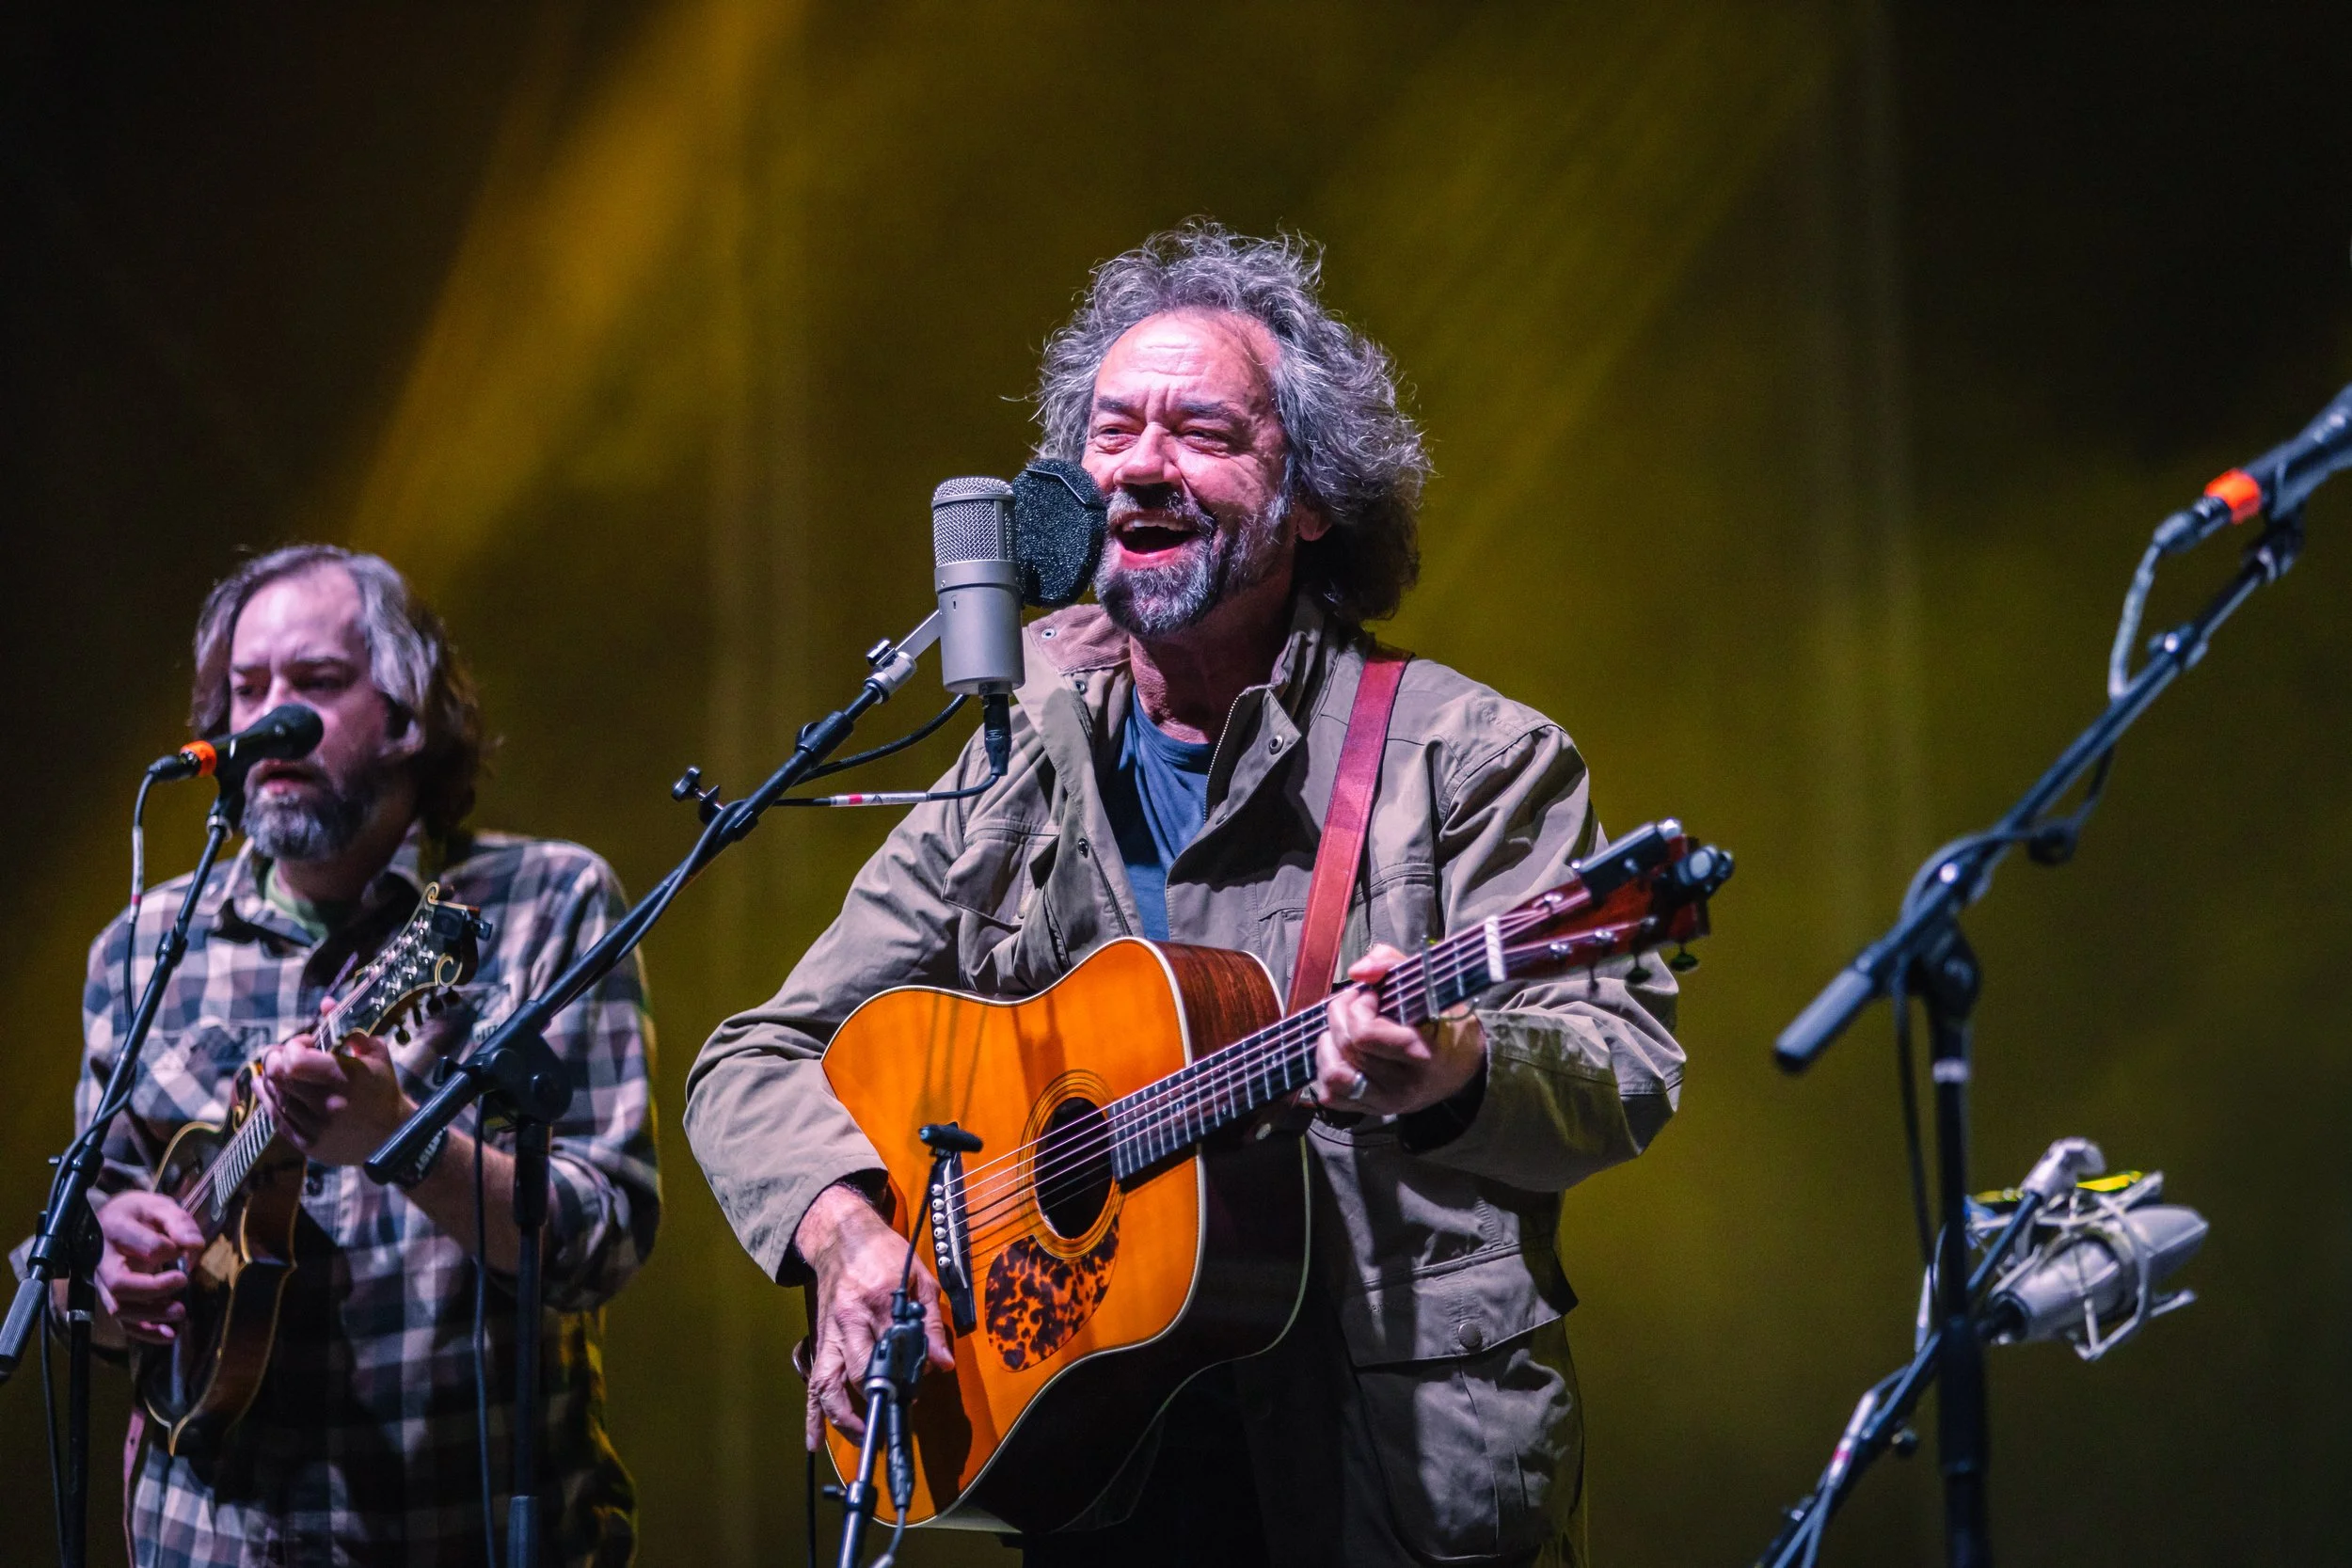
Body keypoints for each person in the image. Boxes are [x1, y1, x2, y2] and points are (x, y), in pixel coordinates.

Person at [684, 224, 1685, 1568]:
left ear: (1312, 498)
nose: (1142, 465)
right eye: (1110, 434)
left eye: (1202, 431)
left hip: (1384, 1478)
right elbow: (751, 1057)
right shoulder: (1019, 760)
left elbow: (1621, 1058)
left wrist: (1452, 1068)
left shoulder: (1467, 754)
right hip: (1096, 1470)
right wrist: (843, 1224)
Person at [61, 546, 659, 1567]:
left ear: (408, 713)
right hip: (204, 1539)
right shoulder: (141, 943)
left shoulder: (545, 905)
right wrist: (105, 1265)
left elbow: (603, 1238)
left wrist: (403, 1140)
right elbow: (85, 1249)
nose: (270, 718)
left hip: (460, 1535)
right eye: (246, 691)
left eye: (317, 683)